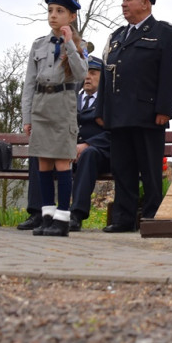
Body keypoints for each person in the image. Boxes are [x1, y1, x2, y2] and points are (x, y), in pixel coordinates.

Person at [94, 0, 172, 233]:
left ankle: (153, 217)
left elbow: (171, 74)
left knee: (150, 171)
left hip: (148, 114)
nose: (124, 4)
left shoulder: (164, 33)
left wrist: (165, 109)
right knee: (123, 170)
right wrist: (101, 110)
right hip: (119, 115)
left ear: (145, 3)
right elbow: (107, 75)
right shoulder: (117, 36)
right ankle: (123, 218)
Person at [22, 0, 87, 237]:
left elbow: (81, 75)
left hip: (62, 104)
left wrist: (69, 43)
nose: (53, 16)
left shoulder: (78, 46)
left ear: (71, 16)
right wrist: (26, 117)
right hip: (41, 105)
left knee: (61, 161)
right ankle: (47, 216)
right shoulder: (38, 44)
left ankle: (62, 219)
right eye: (50, 10)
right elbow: (29, 83)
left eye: (59, 11)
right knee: (43, 162)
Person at [69, 55, 112, 230]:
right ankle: (41, 213)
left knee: (88, 154)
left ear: (103, 77)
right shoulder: (72, 99)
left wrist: (87, 144)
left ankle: (76, 215)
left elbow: (114, 132)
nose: (87, 77)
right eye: (85, 72)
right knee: (41, 153)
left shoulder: (110, 101)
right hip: (68, 151)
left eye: (93, 73)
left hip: (100, 154)